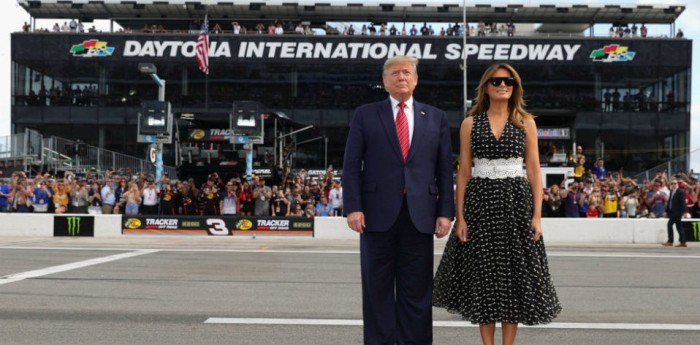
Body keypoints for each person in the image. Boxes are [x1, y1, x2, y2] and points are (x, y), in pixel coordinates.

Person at [433, 63, 561, 345]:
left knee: (513, 279)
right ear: (486, 87)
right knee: (485, 277)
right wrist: (461, 218)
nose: (503, 85)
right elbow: (464, 172)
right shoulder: (470, 123)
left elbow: (534, 170)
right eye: (496, 81)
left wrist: (537, 217)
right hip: (480, 207)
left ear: (515, 87)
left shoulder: (525, 121)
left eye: (509, 81)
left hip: (516, 206)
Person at [343, 55, 455, 344]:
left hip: (420, 216)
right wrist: (353, 207)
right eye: (394, 73)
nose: (401, 77)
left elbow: (444, 169)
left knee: (417, 290)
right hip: (375, 214)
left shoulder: (435, 117)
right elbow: (352, 165)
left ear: (416, 79)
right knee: (376, 288)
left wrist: (446, 212)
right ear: (384, 81)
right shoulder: (366, 114)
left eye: (407, 72)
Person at [663, 178, 687, 247]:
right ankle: (683, 242)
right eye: (672, 183)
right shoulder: (671, 191)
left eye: (675, 183)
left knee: (669, 224)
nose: (673, 185)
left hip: (677, 212)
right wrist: (667, 211)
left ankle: (670, 241)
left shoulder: (680, 192)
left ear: (677, 184)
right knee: (679, 227)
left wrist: (683, 212)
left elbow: (683, 203)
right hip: (672, 212)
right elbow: (669, 202)